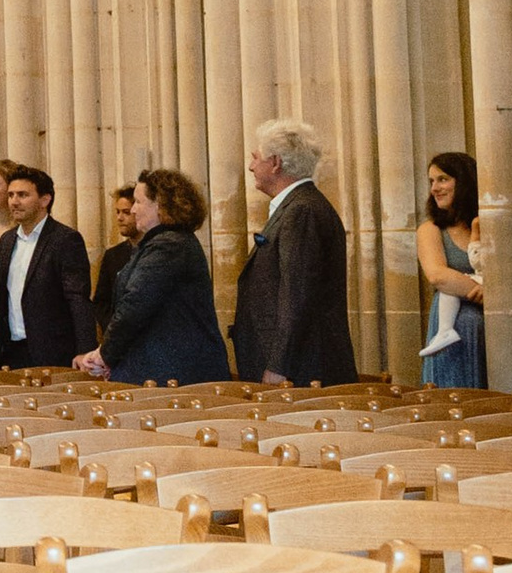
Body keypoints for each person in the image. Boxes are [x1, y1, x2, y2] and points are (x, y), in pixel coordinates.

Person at [232, 120, 357, 387]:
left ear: (275, 163)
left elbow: (296, 294)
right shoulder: (298, 206)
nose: (252, 166)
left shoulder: (301, 211)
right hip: (297, 366)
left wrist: (279, 365)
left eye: (256, 158)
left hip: (299, 371)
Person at [78, 168, 227, 382]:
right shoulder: (160, 243)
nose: (133, 210)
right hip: (158, 366)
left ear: (160, 206)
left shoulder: (169, 245)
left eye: (138, 202)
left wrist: (105, 354)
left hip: (172, 371)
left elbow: (136, 304)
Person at [0, 165, 96, 366]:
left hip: (53, 351)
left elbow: (78, 298)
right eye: (11, 195)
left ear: (44, 200)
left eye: (22, 195)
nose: (14, 201)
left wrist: (85, 350)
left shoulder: (65, 239)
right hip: (10, 350)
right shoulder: (6, 241)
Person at [416, 149, 486, 389]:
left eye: (443, 179)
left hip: (492, 330)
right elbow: (438, 275)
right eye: (432, 181)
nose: (435, 188)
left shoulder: (487, 224)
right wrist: (483, 292)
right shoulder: (431, 229)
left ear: (464, 182)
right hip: (452, 330)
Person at [91, 185, 138, 337]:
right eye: (117, 212)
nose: (119, 218)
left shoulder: (159, 250)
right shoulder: (113, 255)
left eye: (126, 212)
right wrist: (112, 328)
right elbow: (101, 301)